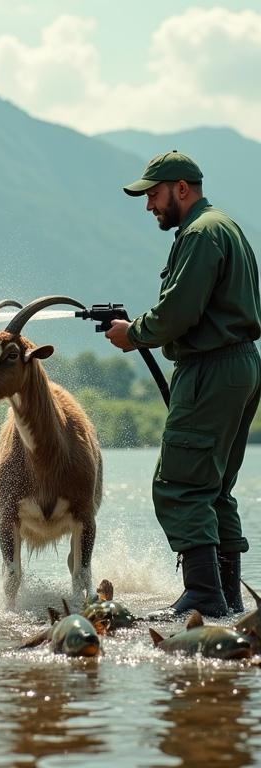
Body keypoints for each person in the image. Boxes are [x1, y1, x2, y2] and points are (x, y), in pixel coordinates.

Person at [106, 150, 261, 618]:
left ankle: (204, 595)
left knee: (179, 485)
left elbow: (178, 311)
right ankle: (229, 599)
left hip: (211, 369)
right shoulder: (223, 226)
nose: (149, 205)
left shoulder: (200, 233)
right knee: (214, 488)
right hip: (240, 367)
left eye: (152, 194)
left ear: (180, 189)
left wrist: (132, 334)